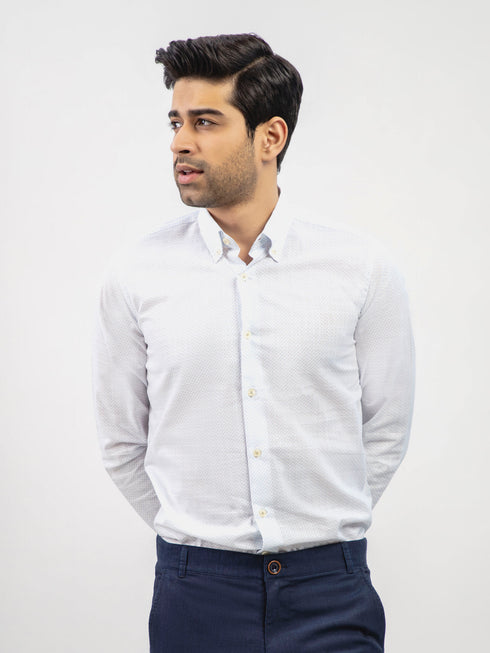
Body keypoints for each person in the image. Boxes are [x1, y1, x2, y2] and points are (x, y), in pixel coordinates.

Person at [92, 33, 415, 653]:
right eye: (176, 122)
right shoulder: (136, 275)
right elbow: (121, 443)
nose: (180, 142)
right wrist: (200, 535)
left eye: (206, 122)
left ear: (270, 137)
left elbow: (385, 430)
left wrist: (317, 531)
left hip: (331, 589)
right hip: (196, 592)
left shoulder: (361, 269)